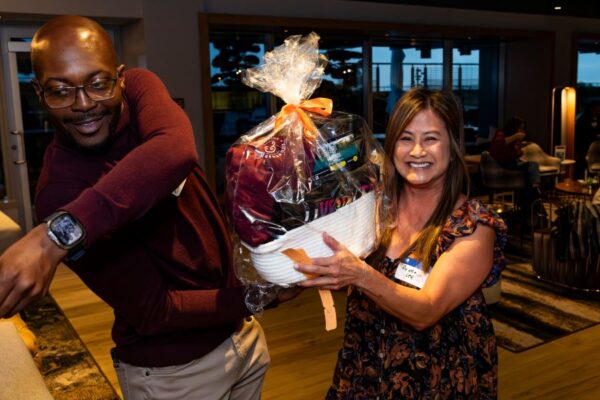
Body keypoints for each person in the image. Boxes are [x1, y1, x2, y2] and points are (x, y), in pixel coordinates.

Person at [0, 15, 278, 400]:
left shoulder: (140, 90)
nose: (83, 105)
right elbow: (155, 310)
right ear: (38, 91)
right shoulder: (59, 193)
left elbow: (175, 151)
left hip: (242, 334)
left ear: (121, 77)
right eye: (61, 91)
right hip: (176, 372)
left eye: (98, 85)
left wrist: (51, 239)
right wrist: (257, 296)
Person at [296, 88, 507, 399]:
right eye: (406, 138)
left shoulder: (472, 225)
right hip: (363, 376)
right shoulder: (374, 209)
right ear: (392, 145)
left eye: (431, 139)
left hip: (438, 383)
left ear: (453, 146)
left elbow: (426, 311)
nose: (417, 151)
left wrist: (359, 275)